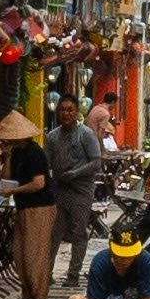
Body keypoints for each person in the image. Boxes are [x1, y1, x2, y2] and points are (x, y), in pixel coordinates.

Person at [41, 97, 106, 287]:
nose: (66, 114)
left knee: (79, 232)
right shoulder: (52, 137)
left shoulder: (85, 134)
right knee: (55, 233)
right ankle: (46, 273)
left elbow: (96, 162)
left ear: (77, 112)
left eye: (70, 110)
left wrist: (76, 173)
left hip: (81, 190)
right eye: (62, 110)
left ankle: (73, 274)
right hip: (59, 190)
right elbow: (47, 163)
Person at [0, 110, 55, 299]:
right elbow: (6, 177)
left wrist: (14, 191)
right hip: (23, 206)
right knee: (20, 252)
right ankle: (27, 293)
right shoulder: (17, 152)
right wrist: (8, 157)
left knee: (35, 252)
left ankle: (38, 295)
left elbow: (39, 183)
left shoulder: (34, 152)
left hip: (39, 206)